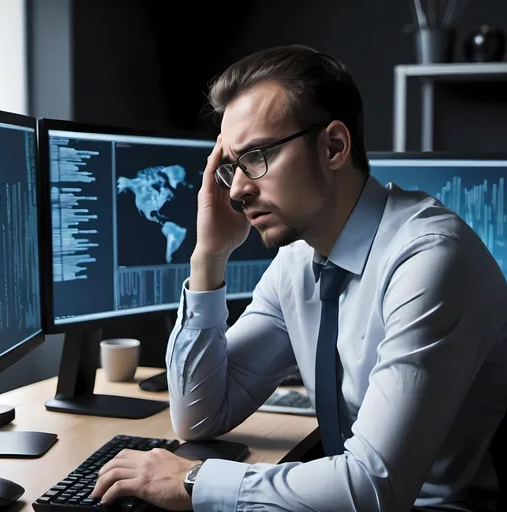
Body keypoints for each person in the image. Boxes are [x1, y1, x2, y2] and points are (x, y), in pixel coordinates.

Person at [91, 45, 507, 511]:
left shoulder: (429, 262)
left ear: (333, 146)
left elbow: (374, 488)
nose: (237, 190)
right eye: (231, 166)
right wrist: (208, 258)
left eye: (257, 156)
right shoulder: (297, 264)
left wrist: (195, 482)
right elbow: (200, 416)